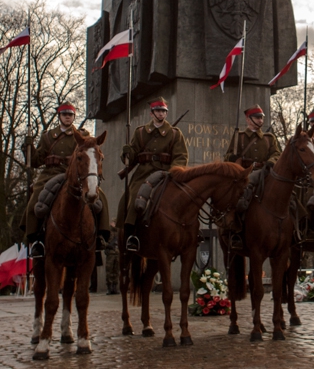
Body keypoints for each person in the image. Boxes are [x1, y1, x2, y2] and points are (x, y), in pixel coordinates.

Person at [21, 103, 110, 258]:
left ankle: (100, 236)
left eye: (70, 114)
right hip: (50, 173)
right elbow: (36, 161)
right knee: (36, 199)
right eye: (64, 114)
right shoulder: (48, 137)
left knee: (100, 197)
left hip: (75, 174)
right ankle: (35, 239)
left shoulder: (82, 135)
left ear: (74, 117)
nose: (67, 117)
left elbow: (91, 154)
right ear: (59, 116)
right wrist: (28, 148)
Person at [119, 97, 188, 252]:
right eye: (158, 111)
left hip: (166, 174)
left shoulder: (175, 134)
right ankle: (131, 235)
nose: (161, 114)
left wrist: (174, 171)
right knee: (134, 195)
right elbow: (131, 157)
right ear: (151, 113)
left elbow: (181, 156)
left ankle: (189, 234)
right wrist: (127, 154)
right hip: (143, 174)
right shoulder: (141, 132)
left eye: (163, 111)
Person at [105, 221, 119, 295]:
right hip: (110, 253)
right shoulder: (108, 232)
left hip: (117, 253)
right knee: (109, 271)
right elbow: (103, 241)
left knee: (116, 271)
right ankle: (109, 287)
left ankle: (115, 287)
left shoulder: (118, 232)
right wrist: (107, 246)